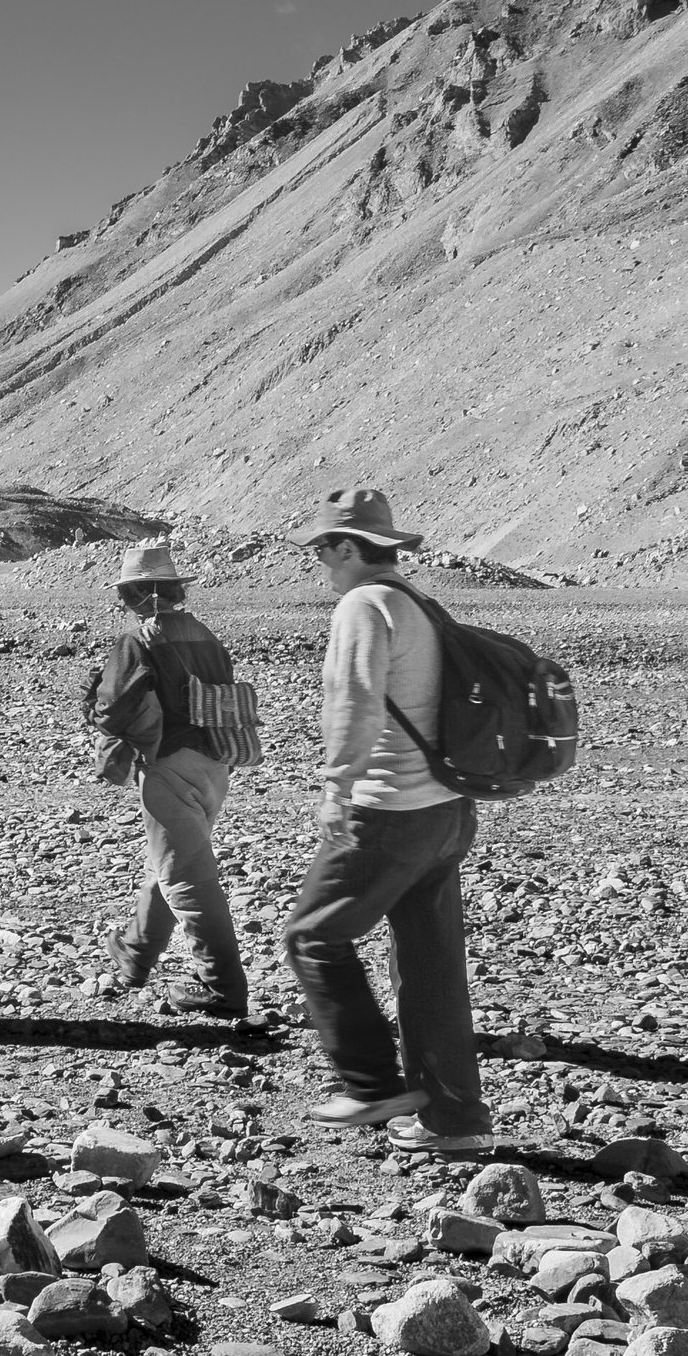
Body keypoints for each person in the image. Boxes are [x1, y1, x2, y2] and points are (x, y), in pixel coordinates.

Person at [283, 489, 492, 1152]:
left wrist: (337, 786)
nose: (321, 561)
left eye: (323, 549)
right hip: (446, 811)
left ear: (348, 546)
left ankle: (371, 1083)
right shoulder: (419, 604)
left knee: (313, 935)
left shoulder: (363, 605)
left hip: (390, 809)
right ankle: (452, 1121)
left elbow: (355, 702)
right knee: (430, 964)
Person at [85, 540, 248, 1017]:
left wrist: (94, 702)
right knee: (176, 860)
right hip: (216, 763)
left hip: (168, 766)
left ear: (143, 593)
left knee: (187, 880)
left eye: (126, 593)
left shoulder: (139, 640)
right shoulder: (206, 637)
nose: (122, 603)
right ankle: (136, 953)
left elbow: (111, 709)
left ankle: (223, 990)